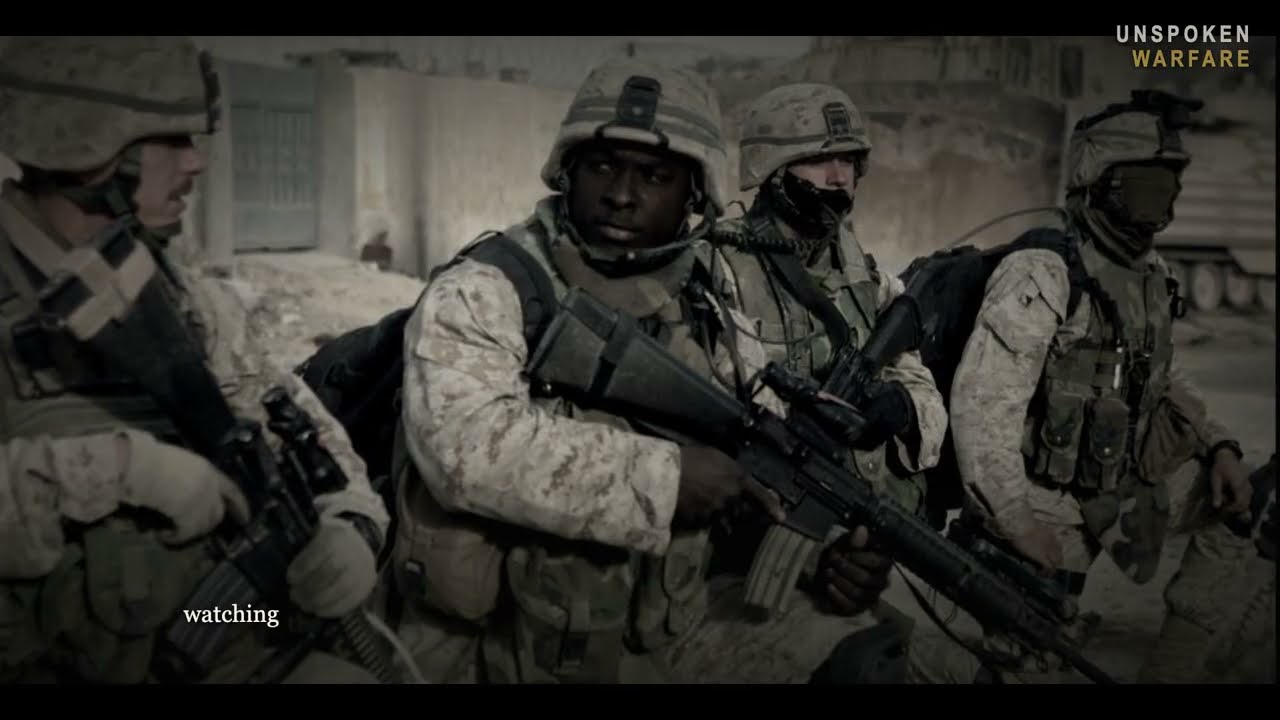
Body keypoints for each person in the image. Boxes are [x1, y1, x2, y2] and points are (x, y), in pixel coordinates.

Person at [388, 59, 907, 684]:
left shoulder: (705, 300)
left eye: (656, 176)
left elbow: (752, 453)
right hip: (491, 646)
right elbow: (462, 451)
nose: (622, 194)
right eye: (603, 166)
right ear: (568, 170)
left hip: (658, 627)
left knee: (868, 658)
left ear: (693, 196)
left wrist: (821, 555)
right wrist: (665, 479)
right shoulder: (490, 288)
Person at [0, 36, 389, 684]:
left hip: (208, 628)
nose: (197, 162)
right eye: (173, 140)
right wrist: (118, 472)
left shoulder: (174, 291)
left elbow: (289, 417)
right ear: (90, 148)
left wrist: (350, 520)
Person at [937, 90, 1262, 683]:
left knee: (1252, 506)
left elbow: (1159, 374)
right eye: (1148, 183)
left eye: (1170, 183)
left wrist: (1219, 445)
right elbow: (983, 406)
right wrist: (1015, 519)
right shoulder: (1045, 269)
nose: (1163, 201)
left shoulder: (1150, 271)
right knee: (1020, 658)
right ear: (1101, 181)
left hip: (1125, 476)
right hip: (1047, 495)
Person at [669, 82, 948, 681]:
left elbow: (924, 392)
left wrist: (900, 406)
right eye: (820, 160)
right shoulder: (719, 266)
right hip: (741, 536)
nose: (838, 177)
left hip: (852, 528)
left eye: (849, 161)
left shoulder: (863, 273)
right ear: (772, 169)